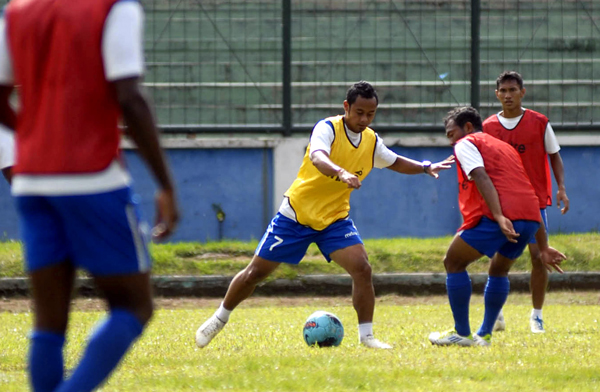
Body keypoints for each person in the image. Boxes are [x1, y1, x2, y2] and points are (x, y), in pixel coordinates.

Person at [0, 1, 180, 391]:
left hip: (31, 179)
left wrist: (33, 136)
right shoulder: (113, 7)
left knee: (49, 321)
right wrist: (165, 184)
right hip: (92, 176)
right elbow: (129, 96)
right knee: (134, 305)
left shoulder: (18, 10)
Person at [195, 81, 453, 349]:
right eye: (359, 112)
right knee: (255, 274)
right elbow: (318, 157)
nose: (364, 119)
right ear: (346, 107)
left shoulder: (371, 140)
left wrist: (425, 167)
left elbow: (394, 160)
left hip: (334, 220)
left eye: (370, 114)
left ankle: (367, 337)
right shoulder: (327, 128)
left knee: (362, 268)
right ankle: (219, 318)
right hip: (296, 216)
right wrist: (341, 172)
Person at [428, 106, 565, 347]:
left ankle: (462, 333)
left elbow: (480, 176)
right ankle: (485, 334)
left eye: (451, 134)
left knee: (453, 262)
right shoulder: (505, 148)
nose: (451, 141)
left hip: (500, 217)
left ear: (468, 127)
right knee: (499, 270)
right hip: (529, 219)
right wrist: (543, 246)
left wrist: (499, 216)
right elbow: (529, 193)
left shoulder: (466, 143)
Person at [484, 71, 570, 334]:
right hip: (502, 203)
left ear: (523, 92)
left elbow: (554, 156)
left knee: (537, 257)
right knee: (500, 259)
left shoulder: (539, 122)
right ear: (497, 94)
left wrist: (561, 189)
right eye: (503, 91)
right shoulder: (488, 127)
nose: (508, 95)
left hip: (534, 202)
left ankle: (537, 315)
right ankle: (496, 315)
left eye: (513, 90)